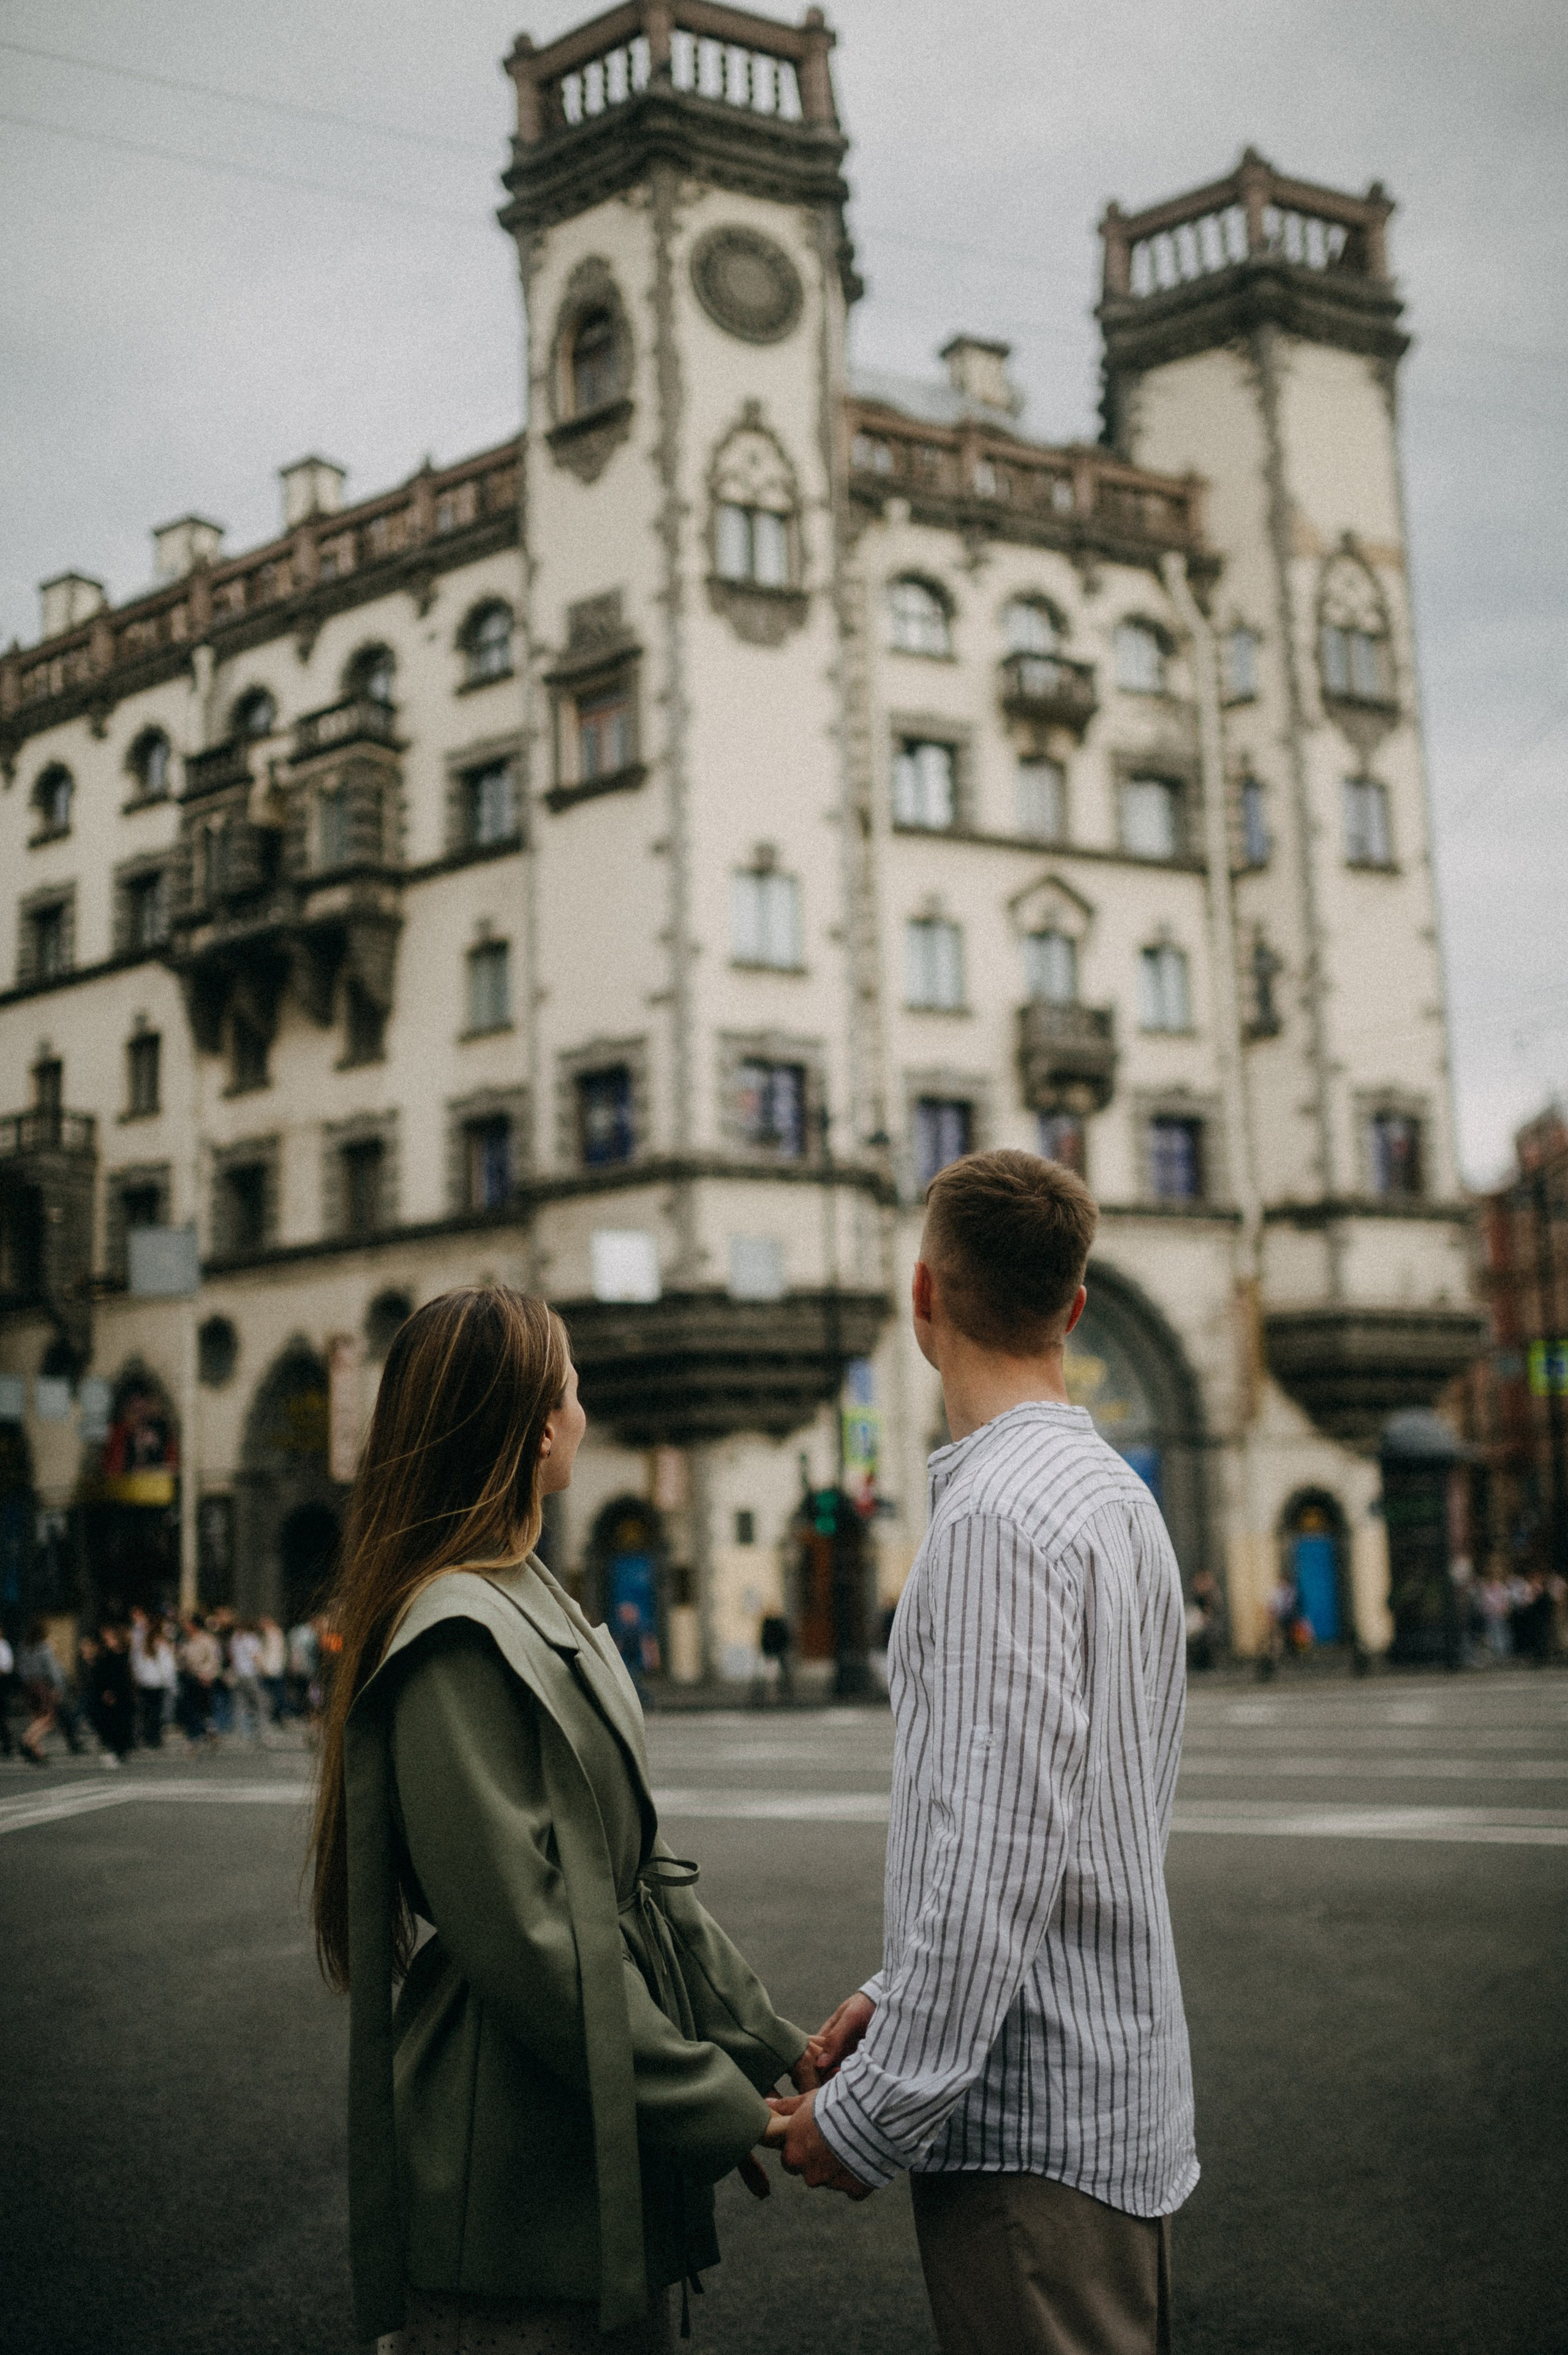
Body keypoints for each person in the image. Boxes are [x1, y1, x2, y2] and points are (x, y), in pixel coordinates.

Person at [307, 1285, 812, 2352]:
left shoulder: (524, 1592)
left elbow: (642, 1875)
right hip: (512, 2170)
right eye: (574, 1388)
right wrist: (714, 2103)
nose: (584, 1409)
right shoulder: (457, 1632)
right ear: (540, 1428)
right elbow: (532, 1941)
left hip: (575, 2121)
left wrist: (770, 2045)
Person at [766, 1150, 1197, 2355]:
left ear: (924, 1294)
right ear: (1073, 1306)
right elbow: (1084, 1824)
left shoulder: (994, 1518)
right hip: (1114, 2097)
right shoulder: (1117, 1496)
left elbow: (995, 1855)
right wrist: (899, 1988)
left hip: (1028, 2130)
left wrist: (871, 2109)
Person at [228, 1619, 268, 1744]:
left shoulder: (235, 1639)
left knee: (240, 1703)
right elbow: (256, 1656)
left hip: (238, 1674)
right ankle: (260, 1731)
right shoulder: (251, 1639)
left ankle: (242, 1732)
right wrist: (263, 1669)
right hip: (250, 1673)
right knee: (259, 1703)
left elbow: (231, 1656)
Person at [257, 1615, 289, 1726]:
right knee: (277, 1694)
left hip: (271, 1669)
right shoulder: (278, 1634)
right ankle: (280, 1716)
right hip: (276, 1668)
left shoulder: (270, 1635)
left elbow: (268, 1654)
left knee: (274, 1695)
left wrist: (264, 1667)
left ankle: (277, 1716)